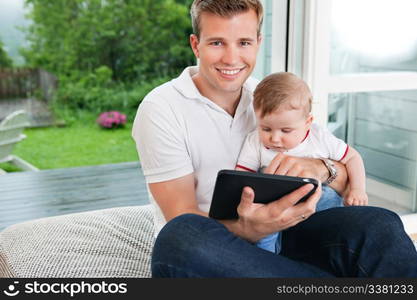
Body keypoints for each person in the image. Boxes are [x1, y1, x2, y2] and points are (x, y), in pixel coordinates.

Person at [132, 0, 417, 277]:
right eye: (217, 43)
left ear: (257, 42)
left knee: (380, 223)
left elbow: (343, 179)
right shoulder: (161, 109)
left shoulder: (269, 99)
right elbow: (181, 213)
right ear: (196, 44)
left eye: (243, 43)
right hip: (219, 242)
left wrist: (319, 168)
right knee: (181, 237)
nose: (231, 58)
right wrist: (251, 228)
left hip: (292, 229)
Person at [236, 72, 368, 253]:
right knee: (263, 231)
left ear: (308, 122)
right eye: (265, 128)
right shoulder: (254, 142)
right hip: (274, 206)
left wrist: (357, 189)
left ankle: (330, 246)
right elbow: (243, 177)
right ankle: (267, 259)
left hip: (318, 203)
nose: (275, 138)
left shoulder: (319, 137)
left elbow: (353, 158)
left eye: (286, 130)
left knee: (331, 201)